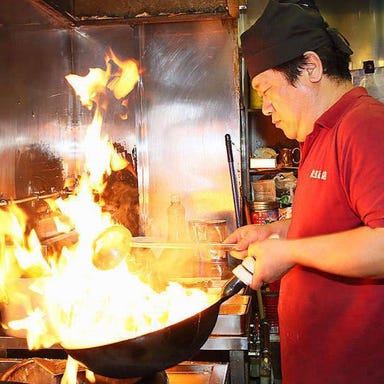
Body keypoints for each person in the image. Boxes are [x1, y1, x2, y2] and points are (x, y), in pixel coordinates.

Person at [225, 0, 384, 382]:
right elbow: (338, 221)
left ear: (311, 68)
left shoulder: (364, 126)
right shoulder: (321, 134)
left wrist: (289, 251)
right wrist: (276, 232)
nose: (265, 109)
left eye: (267, 90)